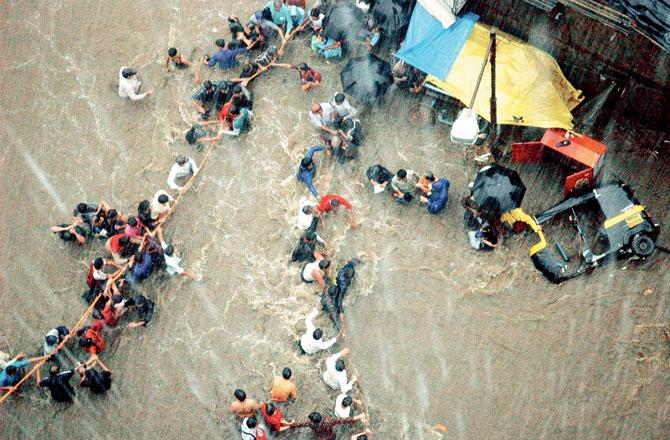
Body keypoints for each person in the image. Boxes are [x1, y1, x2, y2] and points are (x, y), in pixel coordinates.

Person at [289, 411, 365, 440]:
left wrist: (290, 424)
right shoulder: (328, 421)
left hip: (320, 437)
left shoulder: (310, 423)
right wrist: (359, 416)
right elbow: (344, 420)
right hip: (330, 436)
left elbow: (300, 424)